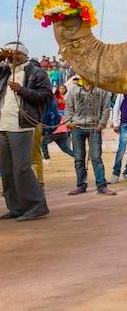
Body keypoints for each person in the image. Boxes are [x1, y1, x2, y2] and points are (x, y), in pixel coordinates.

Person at [0, 41, 51, 221]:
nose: (12, 57)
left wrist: (23, 90)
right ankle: (16, 207)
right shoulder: (4, 70)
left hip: (22, 125)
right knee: (6, 170)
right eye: (9, 54)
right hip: (2, 125)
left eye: (15, 54)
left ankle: (36, 206)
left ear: (24, 55)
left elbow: (46, 96)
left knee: (21, 168)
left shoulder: (36, 72)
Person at [66, 77, 116, 196]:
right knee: (78, 158)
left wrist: (101, 124)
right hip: (77, 128)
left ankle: (102, 186)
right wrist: (69, 122)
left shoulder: (101, 90)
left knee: (96, 158)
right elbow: (68, 107)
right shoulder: (73, 90)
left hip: (94, 127)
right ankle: (81, 185)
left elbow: (105, 108)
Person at [41, 94, 74, 161]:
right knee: (65, 148)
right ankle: (78, 156)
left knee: (43, 143)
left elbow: (47, 120)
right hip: (63, 132)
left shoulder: (50, 111)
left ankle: (46, 158)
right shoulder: (60, 112)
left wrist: (45, 132)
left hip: (54, 132)